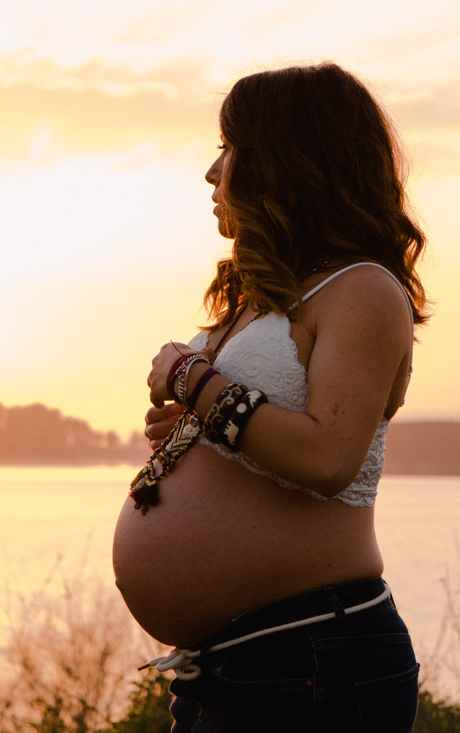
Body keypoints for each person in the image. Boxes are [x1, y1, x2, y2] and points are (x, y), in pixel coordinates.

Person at [112, 62, 427, 733]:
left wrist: (194, 381)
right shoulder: (262, 295)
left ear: (289, 163)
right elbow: (255, 427)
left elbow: (327, 457)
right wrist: (193, 429)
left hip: (312, 658)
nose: (212, 173)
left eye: (230, 150)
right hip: (238, 669)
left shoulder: (364, 290)